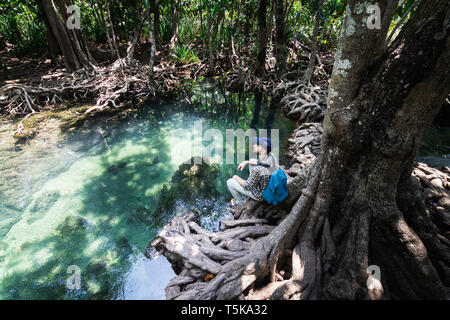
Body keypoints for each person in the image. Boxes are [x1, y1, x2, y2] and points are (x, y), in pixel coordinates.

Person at [227, 137, 278, 207]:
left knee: (230, 182)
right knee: (252, 161)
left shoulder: (258, 169)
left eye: (257, 144)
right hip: (269, 188)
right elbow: (259, 162)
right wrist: (247, 162)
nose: (254, 145)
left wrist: (236, 178)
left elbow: (247, 186)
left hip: (261, 196)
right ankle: (254, 181)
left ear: (263, 150)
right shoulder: (271, 157)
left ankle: (241, 203)